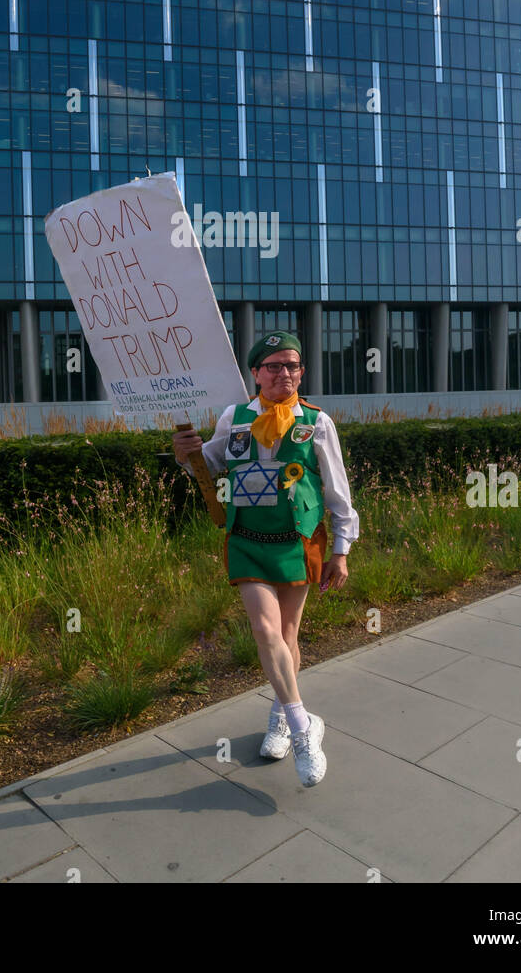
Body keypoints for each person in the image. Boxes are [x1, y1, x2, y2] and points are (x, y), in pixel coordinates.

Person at [172, 330, 358, 787]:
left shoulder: (317, 421)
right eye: (274, 366)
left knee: (289, 634)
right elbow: (210, 463)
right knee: (264, 629)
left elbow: (337, 490)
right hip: (248, 538)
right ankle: (302, 729)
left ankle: (279, 714)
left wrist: (342, 549)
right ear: (255, 373)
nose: (285, 374)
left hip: (297, 538)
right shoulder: (234, 418)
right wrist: (185, 456)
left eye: (293, 365)